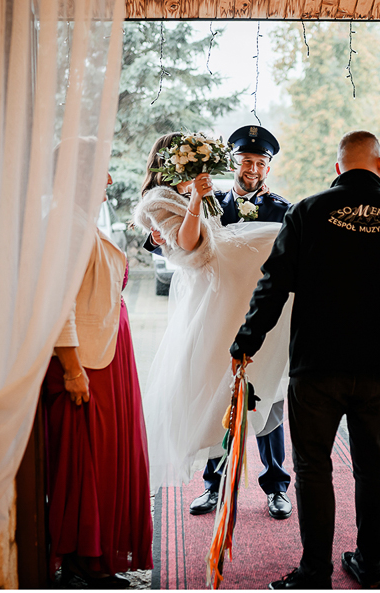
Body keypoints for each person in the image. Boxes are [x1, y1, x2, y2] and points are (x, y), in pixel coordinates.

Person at [229, 131, 380, 590]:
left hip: (318, 362)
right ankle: (369, 564)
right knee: (375, 467)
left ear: (337, 168)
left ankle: (315, 572)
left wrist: (247, 341)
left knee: (313, 468)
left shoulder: (307, 212)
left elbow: (273, 284)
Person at [134, 132, 293, 493]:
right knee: (213, 389)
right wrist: (161, 238)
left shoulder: (282, 209)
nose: (253, 169)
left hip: (260, 318)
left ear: (268, 168)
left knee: (266, 394)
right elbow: (172, 243)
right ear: (233, 163)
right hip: (216, 311)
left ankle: (276, 485)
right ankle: (213, 484)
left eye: (260, 163)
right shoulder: (209, 199)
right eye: (246, 161)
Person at [45, 173, 152, 589]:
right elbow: (59, 304)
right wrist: (72, 369)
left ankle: (97, 555)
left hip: (108, 355)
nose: (107, 183)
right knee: (87, 461)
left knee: (106, 458)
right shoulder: (65, 226)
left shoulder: (82, 220)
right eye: (99, 176)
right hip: (86, 363)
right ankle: (84, 559)